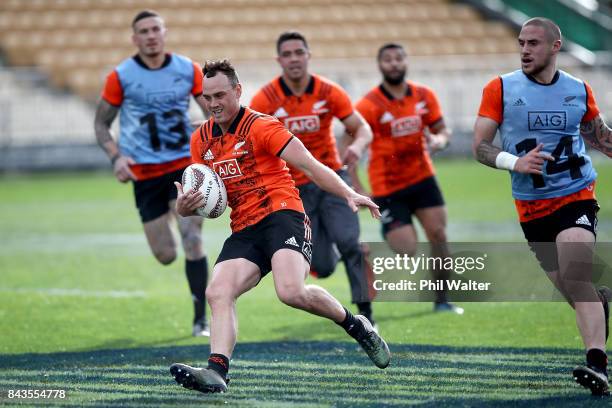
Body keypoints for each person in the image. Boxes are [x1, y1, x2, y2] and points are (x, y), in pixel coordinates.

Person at [169, 59, 391, 394]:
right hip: (245, 225)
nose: (213, 103)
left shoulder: (262, 126)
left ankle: (355, 325)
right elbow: (206, 196)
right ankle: (217, 371)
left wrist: (349, 192)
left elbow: (311, 166)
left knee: (291, 292)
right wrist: (184, 208)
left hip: (282, 213)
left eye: (220, 95)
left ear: (238, 91)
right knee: (217, 292)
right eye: (206, 97)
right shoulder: (201, 140)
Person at [473, 17, 612, 396]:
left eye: (533, 43)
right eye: (521, 42)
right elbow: (481, 147)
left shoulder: (579, 89)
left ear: (555, 46)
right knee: (570, 287)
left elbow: (600, 138)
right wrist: (513, 162)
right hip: (531, 207)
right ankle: (600, 308)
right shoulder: (500, 88)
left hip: (576, 194)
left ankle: (597, 365)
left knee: (575, 269)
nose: (524, 49)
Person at [93, 10, 210, 337]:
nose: (150, 36)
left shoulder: (187, 69)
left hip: (183, 166)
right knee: (166, 255)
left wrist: (209, 138)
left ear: (165, 32)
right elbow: (101, 123)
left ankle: (201, 319)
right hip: (144, 175)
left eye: (155, 29)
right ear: (135, 38)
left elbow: (210, 113)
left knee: (193, 239)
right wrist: (116, 157)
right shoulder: (122, 76)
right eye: (143, 31)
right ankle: (171, 224)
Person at [249, 31, 378, 327]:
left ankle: (366, 316)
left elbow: (362, 128)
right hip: (293, 190)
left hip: (332, 179)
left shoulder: (328, 91)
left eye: (299, 52)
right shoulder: (265, 99)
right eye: (288, 54)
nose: (294, 58)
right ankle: (331, 250)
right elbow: (250, 134)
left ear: (308, 55)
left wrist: (357, 147)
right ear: (278, 60)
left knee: (349, 242)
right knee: (321, 265)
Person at [353, 43, 462, 314]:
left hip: (423, 178)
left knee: (438, 234)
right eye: (388, 60)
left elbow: (442, 130)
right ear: (380, 65)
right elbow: (350, 150)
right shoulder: (369, 104)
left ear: (406, 62)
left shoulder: (424, 95)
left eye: (398, 58)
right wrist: (358, 190)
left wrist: (438, 140)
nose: (394, 64)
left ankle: (442, 300)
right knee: (407, 250)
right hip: (387, 186)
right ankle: (371, 249)